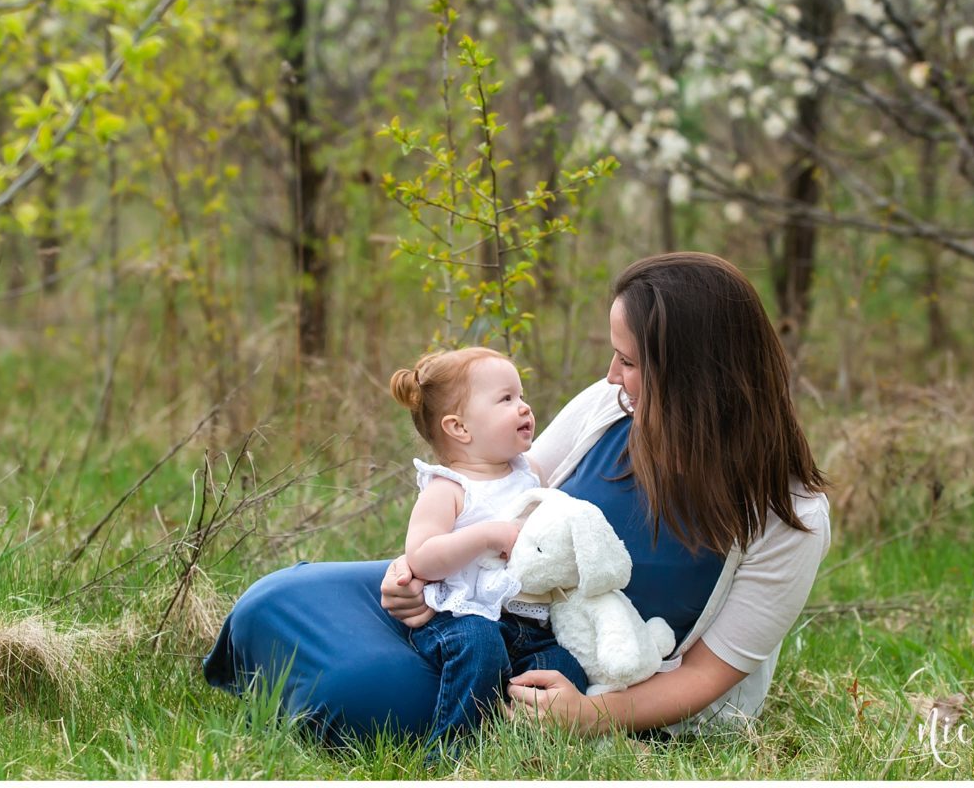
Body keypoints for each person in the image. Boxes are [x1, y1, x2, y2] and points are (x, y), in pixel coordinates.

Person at [204, 254, 830, 744]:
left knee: (354, 692)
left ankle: (334, 699)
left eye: (628, 360)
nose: (611, 376)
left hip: (571, 676)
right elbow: (501, 493)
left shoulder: (791, 517)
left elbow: (709, 675)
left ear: (694, 375)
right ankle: (294, 670)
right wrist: (412, 574)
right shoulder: (607, 410)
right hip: (494, 608)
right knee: (273, 598)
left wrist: (590, 716)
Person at [387, 348, 547, 750]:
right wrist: (487, 535)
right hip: (458, 614)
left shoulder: (530, 474)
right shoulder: (448, 488)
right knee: (480, 645)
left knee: (561, 660)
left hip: (520, 619)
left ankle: (526, 741)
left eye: (522, 395)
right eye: (506, 399)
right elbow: (421, 555)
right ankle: (454, 753)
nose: (524, 407)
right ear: (459, 427)